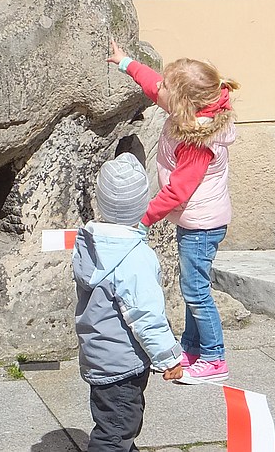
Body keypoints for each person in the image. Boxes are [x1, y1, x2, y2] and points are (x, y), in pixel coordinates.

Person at [107, 40, 239, 385]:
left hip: (202, 224)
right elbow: (153, 85)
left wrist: (143, 220)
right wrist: (126, 63)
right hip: (194, 220)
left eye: (166, 87)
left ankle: (214, 358)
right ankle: (192, 349)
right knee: (191, 286)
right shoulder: (188, 113)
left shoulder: (198, 140)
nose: (158, 89)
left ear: (181, 103)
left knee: (196, 290)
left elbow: (179, 190)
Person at [73, 152, 185, 452]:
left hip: (99, 356)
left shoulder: (90, 243)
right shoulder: (134, 257)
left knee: (116, 421)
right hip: (123, 361)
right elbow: (146, 315)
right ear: (142, 205)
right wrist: (168, 357)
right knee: (118, 429)